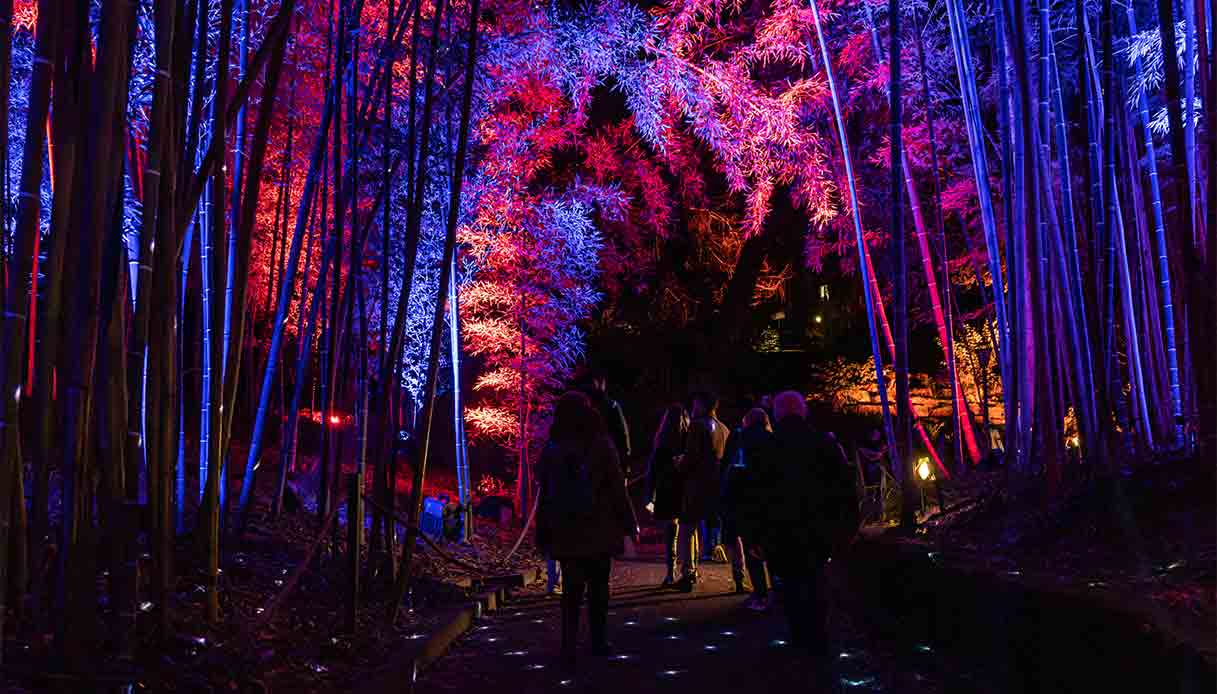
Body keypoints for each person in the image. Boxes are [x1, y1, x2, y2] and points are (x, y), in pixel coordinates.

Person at [536, 391, 639, 667]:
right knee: (598, 588)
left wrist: (543, 530)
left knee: (571, 590)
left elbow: (544, 492)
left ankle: (568, 644)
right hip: (599, 527)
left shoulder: (553, 447)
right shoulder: (601, 444)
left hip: (567, 528)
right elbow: (617, 487)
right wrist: (629, 522)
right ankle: (598, 640)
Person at [753, 391, 858, 657]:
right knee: (815, 582)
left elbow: (755, 494)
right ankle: (818, 639)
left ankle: (799, 638)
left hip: (780, 532)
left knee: (789, 586)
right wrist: (847, 527)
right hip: (818, 529)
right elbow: (844, 488)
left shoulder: (768, 447)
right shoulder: (823, 443)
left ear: (777, 414)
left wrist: (755, 533)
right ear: (803, 412)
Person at [674, 391, 729, 593]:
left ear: (703, 404)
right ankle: (738, 573)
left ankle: (688, 573)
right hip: (717, 485)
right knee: (713, 525)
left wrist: (680, 462)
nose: (693, 407)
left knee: (687, 528)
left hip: (697, 484)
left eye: (695, 403)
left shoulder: (697, 426)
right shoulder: (724, 429)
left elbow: (691, 457)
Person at [720, 407, 773, 608]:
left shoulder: (740, 439)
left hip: (746, 503)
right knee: (769, 547)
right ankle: (775, 590)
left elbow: (731, 470)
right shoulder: (772, 440)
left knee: (752, 548)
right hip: (769, 502)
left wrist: (727, 499)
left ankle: (760, 593)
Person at [646, 404, 689, 586]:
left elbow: (652, 471)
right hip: (684, 489)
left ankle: (670, 571)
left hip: (666, 491)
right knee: (686, 532)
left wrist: (650, 496)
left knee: (671, 533)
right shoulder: (688, 440)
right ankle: (688, 570)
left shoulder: (661, 441)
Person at [586, 373, 632, 463]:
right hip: (610, 452)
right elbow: (622, 432)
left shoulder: (588, 406)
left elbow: (622, 432)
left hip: (599, 454)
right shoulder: (611, 405)